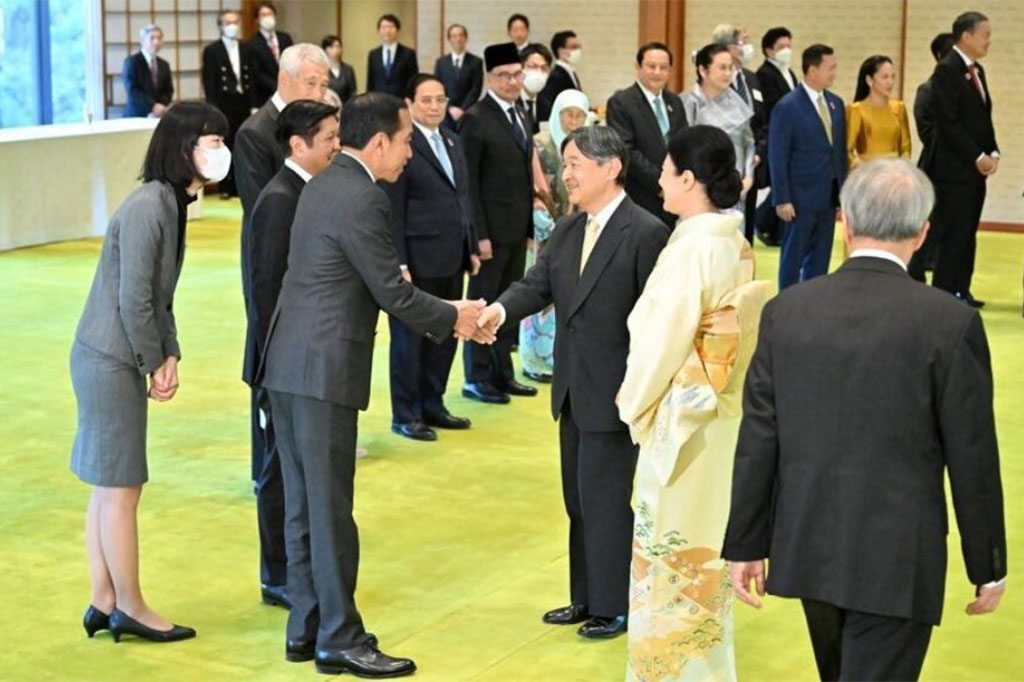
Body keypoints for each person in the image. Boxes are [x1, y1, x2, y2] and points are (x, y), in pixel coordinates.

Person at [724, 159, 1007, 682]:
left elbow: (759, 436)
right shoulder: (950, 323)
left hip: (809, 544)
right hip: (899, 557)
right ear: (923, 233)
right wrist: (987, 563)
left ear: (845, 224)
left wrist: (746, 542)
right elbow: (973, 455)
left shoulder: (788, 312)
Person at [258, 92, 489, 677]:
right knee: (330, 509)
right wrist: (456, 316)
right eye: (407, 140)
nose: (411, 152)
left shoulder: (325, 181)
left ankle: (305, 627)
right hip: (322, 369)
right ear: (380, 142)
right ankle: (340, 637)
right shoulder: (362, 195)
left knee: (305, 508)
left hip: (288, 364)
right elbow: (393, 292)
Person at [476, 126, 669, 639]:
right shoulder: (568, 228)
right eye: (564, 163)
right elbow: (536, 285)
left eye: (576, 163)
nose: (567, 174)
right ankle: (585, 597)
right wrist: (497, 310)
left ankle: (616, 605)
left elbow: (657, 319)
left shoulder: (646, 232)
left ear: (611, 168)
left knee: (607, 500)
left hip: (617, 390)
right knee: (579, 498)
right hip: (572, 390)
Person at [70, 101, 230, 644]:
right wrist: (153, 361)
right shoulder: (151, 205)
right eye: (211, 141)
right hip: (110, 356)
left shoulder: (170, 202)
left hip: (109, 352)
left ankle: (104, 598)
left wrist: (172, 352)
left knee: (108, 482)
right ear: (183, 147)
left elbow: (159, 297)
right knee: (122, 487)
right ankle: (130, 606)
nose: (218, 151)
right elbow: (135, 298)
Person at [618, 124, 770, 682]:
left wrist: (632, 403)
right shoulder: (730, 239)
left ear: (688, 178)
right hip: (719, 414)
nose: (657, 178)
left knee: (670, 558)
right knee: (701, 552)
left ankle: (671, 672)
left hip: (684, 419)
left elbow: (659, 341)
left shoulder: (692, 250)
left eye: (665, 170)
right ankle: (703, 667)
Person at [236, 43, 330, 609]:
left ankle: (296, 563)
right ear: (287, 78)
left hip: (308, 312)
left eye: (324, 84)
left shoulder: (317, 131)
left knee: (298, 462)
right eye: (313, 82)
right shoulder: (257, 134)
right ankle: (277, 571)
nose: (320, 91)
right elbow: (263, 230)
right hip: (276, 317)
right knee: (274, 461)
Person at [382, 74, 480, 441]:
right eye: (426, 100)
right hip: (417, 259)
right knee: (410, 340)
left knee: (445, 334)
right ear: (409, 104)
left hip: (452, 255)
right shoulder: (404, 146)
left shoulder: (454, 141)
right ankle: (406, 414)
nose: (434, 107)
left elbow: (463, 198)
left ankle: (433, 404)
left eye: (440, 100)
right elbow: (393, 208)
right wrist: (399, 262)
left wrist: (470, 244)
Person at [460, 43, 539, 405]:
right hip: (490, 231)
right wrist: (479, 236)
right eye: (504, 76)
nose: (512, 81)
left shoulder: (521, 113)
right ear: (489, 77)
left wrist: (526, 228)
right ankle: (476, 377)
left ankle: (502, 374)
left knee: (508, 303)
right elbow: (469, 184)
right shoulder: (476, 117)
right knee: (481, 303)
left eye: (517, 74)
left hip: (515, 228)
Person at [908, 11, 997, 307]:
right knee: (952, 236)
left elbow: (982, 119)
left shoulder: (977, 71)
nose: (989, 40)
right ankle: (943, 298)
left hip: (974, 172)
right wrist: (976, 156)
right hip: (954, 171)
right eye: (985, 34)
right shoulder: (946, 70)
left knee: (967, 233)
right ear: (967, 36)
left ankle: (961, 291)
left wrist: (992, 151)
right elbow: (949, 124)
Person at [520, 89, 589, 383]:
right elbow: (527, 182)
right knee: (540, 292)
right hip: (545, 230)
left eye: (579, 115)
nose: (573, 121)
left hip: (578, 228)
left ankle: (562, 357)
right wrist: (537, 205)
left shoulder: (589, 146)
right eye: (567, 114)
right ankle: (534, 360)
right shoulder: (540, 144)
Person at [770, 44, 847, 289]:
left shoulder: (836, 103)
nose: (834, 72)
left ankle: (813, 302)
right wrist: (782, 198)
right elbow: (777, 155)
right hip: (799, 197)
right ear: (812, 70)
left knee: (821, 256)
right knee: (793, 256)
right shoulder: (787, 106)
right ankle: (787, 303)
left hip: (828, 195)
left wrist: (843, 195)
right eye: (830, 68)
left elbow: (839, 153)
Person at [606, 42, 687, 229]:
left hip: (673, 197)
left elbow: (683, 144)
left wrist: (677, 183)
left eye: (663, 67)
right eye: (651, 66)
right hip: (639, 196)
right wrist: (660, 185)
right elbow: (626, 151)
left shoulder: (675, 102)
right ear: (638, 67)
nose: (657, 72)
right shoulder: (621, 103)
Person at [682, 44, 756, 233]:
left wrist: (748, 177)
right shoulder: (687, 103)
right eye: (722, 68)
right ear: (702, 70)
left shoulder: (738, 104)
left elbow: (749, 143)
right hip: (696, 190)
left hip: (733, 187)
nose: (728, 73)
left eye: (730, 68)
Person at [711, 25, 767, 244]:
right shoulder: (712, 83)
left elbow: (762, 123)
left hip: (750, 166)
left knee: (746, 232)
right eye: (742, 42)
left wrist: (758, 153)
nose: (747, 47)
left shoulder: (752, 79)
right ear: (727, 47)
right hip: (724, 168)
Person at [912, 33, 954, 274]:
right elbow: (926, 131)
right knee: (931, 225)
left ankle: (959, 285)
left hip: (962, 171)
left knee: (958, 231)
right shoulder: (926, 90)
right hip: (935, 167)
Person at [202, 10, 254, 197]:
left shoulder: (246, 48)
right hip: (223, 103)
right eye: (228, 23)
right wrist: (213, 109)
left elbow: (253, 79)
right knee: (226, 144)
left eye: (235, 22)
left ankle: (240, 185)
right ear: (221, 26)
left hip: (243, 101)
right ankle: (225, 186)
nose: (233, 26)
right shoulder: (212, 51)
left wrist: (254, 104)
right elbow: (210, 81)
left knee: (242, 144)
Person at [754, 26, 798, 246]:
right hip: (777, 134)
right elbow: (772, 108)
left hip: (792, 135)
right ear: (769, 50)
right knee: (780, 184)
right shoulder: (765, 74)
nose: (787, 50)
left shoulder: (789, 72)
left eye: (789, 46)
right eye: (782, 47)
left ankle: (768, 225)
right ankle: (762, 222)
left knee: (784, 184)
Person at [846, 55, 911, 168]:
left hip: (895, 174)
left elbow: (905, 148)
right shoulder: (856, 110)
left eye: (892, 77)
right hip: (867, 174)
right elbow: (848, 151)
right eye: (885, 77)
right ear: (869, 80)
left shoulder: (899, 108)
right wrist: (865, 170)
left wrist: (901, 168)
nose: (890, 82)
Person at [434, 24, 483, 130]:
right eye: (454, 36)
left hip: (468, 112)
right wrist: (450, 108)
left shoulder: (476, 62)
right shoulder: (441, 63)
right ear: (449, 39)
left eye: (461, 35)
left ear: (466, 38)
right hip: (446, 113)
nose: (458, 39)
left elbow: (476, 89)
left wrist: (462, 109)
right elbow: (438, 88)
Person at [247, 1, 294, 108]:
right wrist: (277, 86)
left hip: (288, 93)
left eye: (270, 14)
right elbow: (257, 74)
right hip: (265, 96)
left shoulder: (285, 38)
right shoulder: (251, 44)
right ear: (257, 19)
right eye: (263, 15)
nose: (268, 18)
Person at [122, 25, 174, 119]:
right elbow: (132, 90)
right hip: (137, 114)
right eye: (152, 38)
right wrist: (152, 106)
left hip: (158, 115)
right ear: (142, 41)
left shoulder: (164, 64)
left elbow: (168, 90)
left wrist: (160, 107)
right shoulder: (132, 62)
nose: (156, 42)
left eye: (159, 38)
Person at [367, 14, 418, 97]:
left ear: (397, 30)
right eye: (383, 27)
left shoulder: (408, 54)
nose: (387, 31)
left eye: (391, 27)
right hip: (378, 102)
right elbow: (370, 82)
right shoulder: (373, 55)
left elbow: (413, 81)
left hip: (400, 101)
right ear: (379, 30)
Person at [537, 31, 583, 122]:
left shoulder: (570, 72)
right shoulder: (556, 76)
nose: (578, 51)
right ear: (560, 50)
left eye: (578, 47)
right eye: (573, 47)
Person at [519, 43, 553, 134]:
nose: (538, 72)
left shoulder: (547, 105)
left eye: (544, 68)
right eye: (533, 67)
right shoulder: (510, 102)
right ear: (520, 69)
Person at [322, 35, 357, 104]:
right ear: (325, 49)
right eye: (331, 47)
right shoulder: (322, 69)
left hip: (345, 107)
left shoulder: (348, 69)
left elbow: (353, 92)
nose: (335, 50)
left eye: (337, 47)